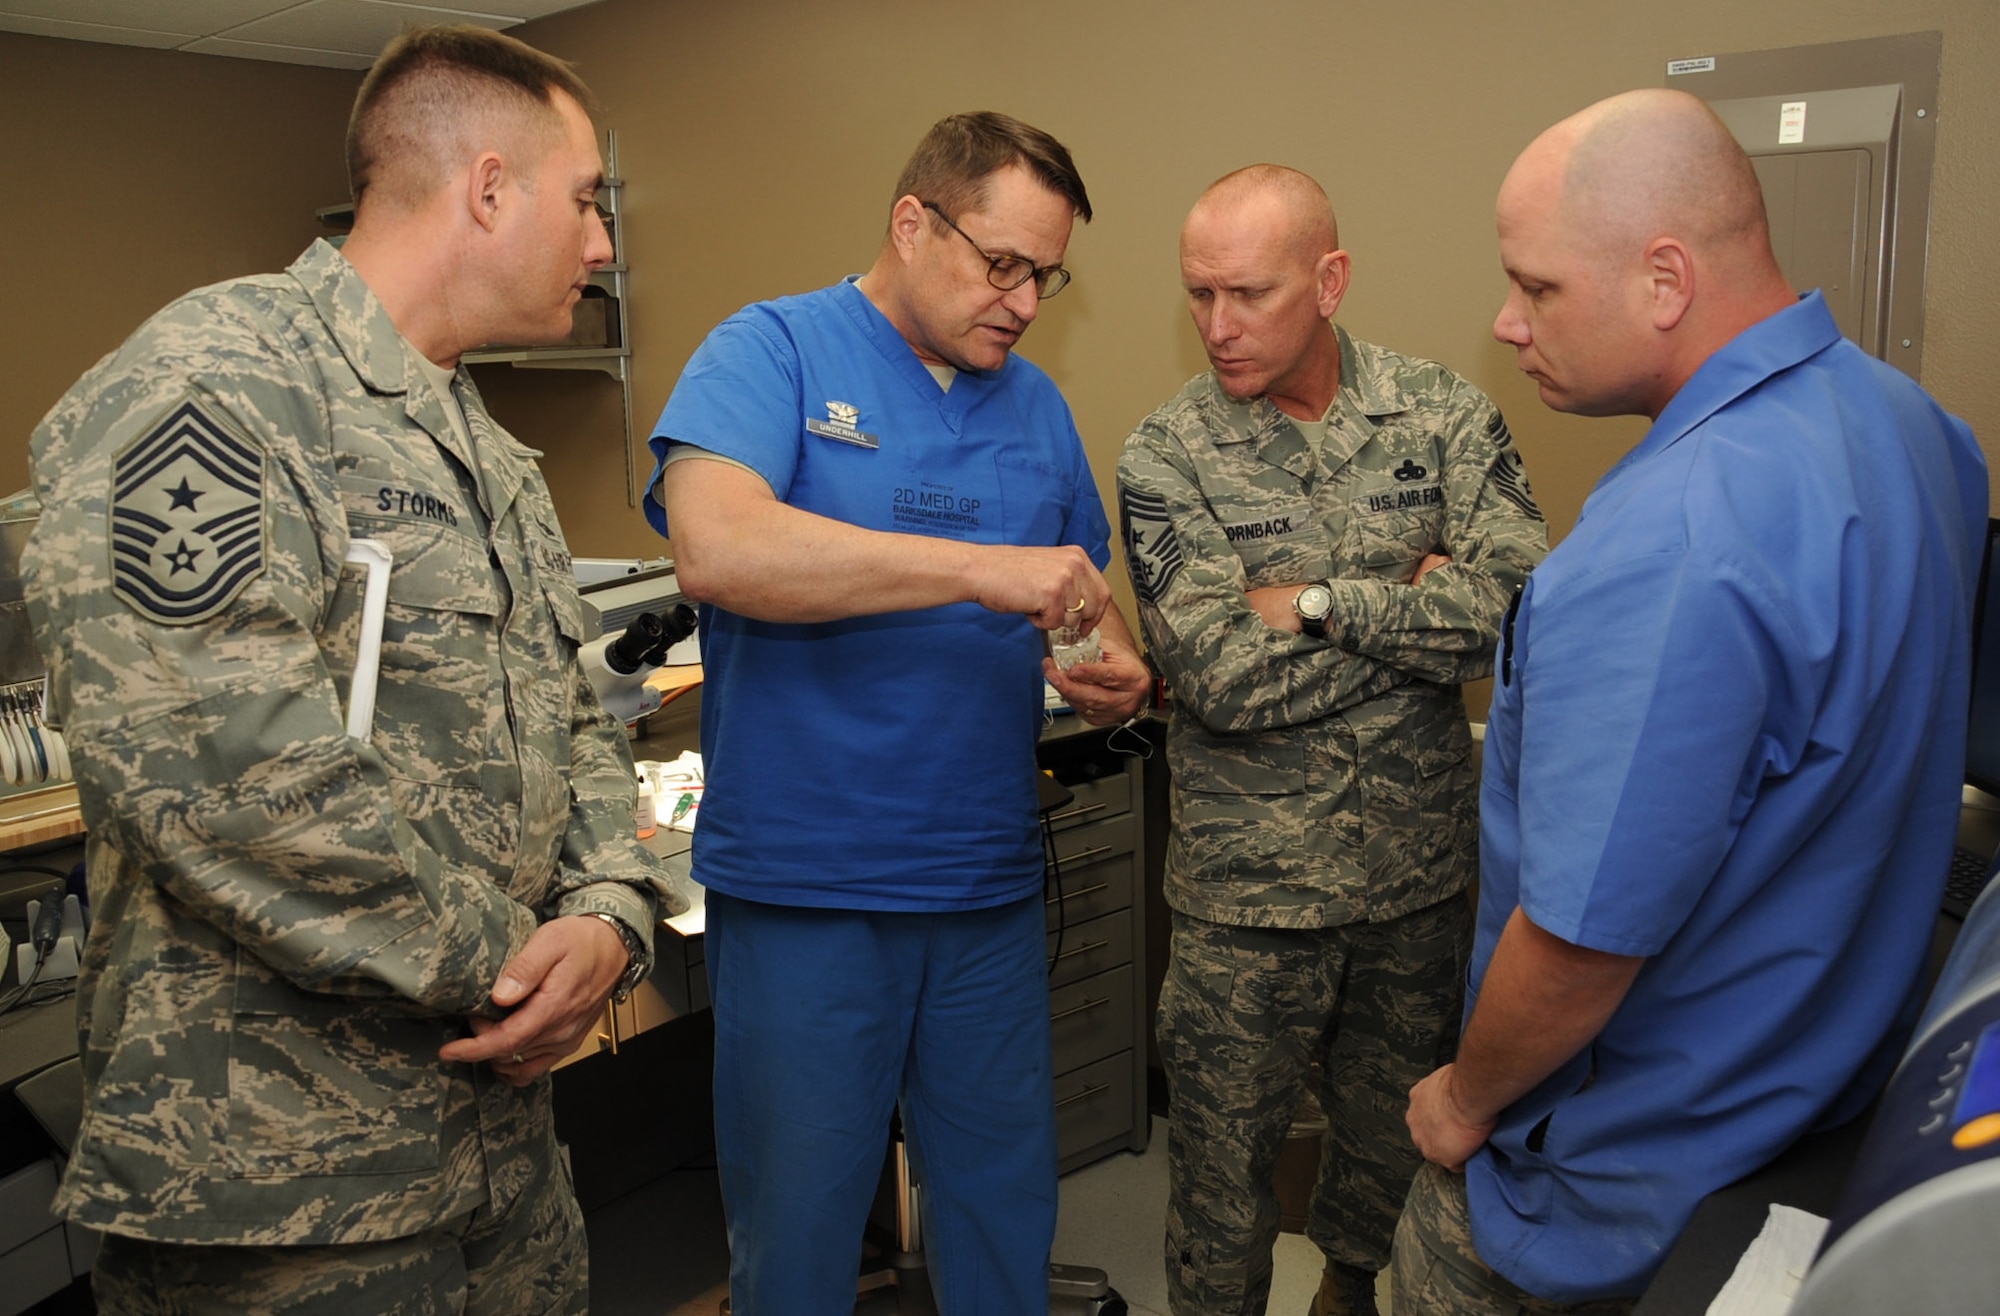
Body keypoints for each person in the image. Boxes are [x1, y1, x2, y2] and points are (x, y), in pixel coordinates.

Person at [23, 26, 671, 1315]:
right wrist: (515, 960)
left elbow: (577, 715)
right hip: (285, 1183)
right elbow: (221, 773)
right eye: (589, 199)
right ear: (488, 187)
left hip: (497, 1149)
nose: (603, 247)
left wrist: (608, 914)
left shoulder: (478, 443)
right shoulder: (218, 384)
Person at [1397, 88, 1988, 1313]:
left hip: (1622, 1175)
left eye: (1537, 286)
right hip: (1820, 1085)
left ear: (1663, 278)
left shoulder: (1666, 546)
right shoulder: (1916, 427)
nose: (1505, 323)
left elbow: (1573, 947)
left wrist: (1460, 1099)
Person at [645, 111, 1151, 1313]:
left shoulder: (1032, 406)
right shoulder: (769, 352)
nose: (1025, 301)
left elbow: (1083, 600)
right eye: (1002, 264)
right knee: (803, 1225)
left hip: (980, 888)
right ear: (911, 222)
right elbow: (717, 549)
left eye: (1048, 274)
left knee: (997, 1208)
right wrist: (976, 567)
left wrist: (1107, 661)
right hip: (811, 891)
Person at [1117, 165, 1547, 1316]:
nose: (1216, 326)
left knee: (1390, 1175)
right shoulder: (1165, 456)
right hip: (1242, 906)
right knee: (1218, 1196)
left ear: (1329, 280)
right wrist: (1412, 604)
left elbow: (1512, 608)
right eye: (1196, 294)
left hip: (1414, 885)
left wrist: (1311, 603)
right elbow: (1218, 677)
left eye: (1246, 293)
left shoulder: (1441, 411)